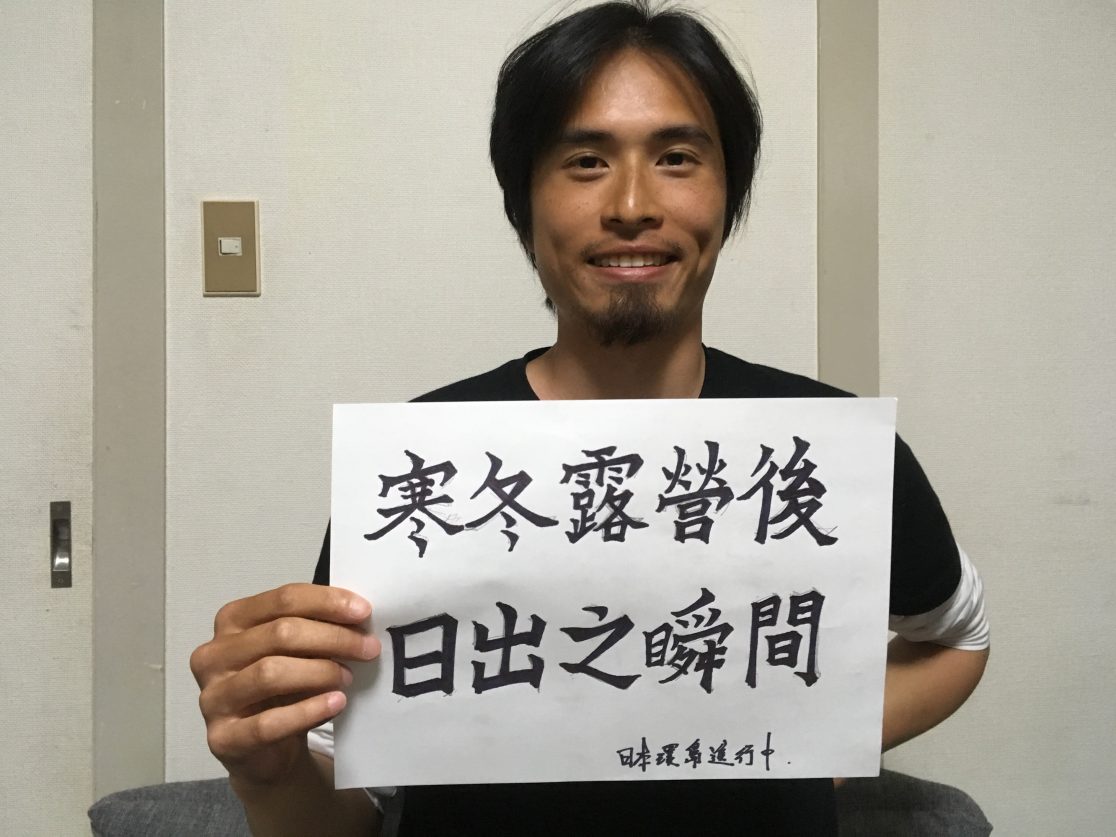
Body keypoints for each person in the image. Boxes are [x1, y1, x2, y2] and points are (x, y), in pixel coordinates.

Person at [190, 2, 990, 834]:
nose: (632, 203)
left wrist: (814, 740)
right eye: (585, 161)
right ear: (524, 203)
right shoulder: (424, 464)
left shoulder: (823, 450)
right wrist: (269, 774)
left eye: (677, 157)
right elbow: (340, 807)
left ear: (728, 195)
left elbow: (958, 638)